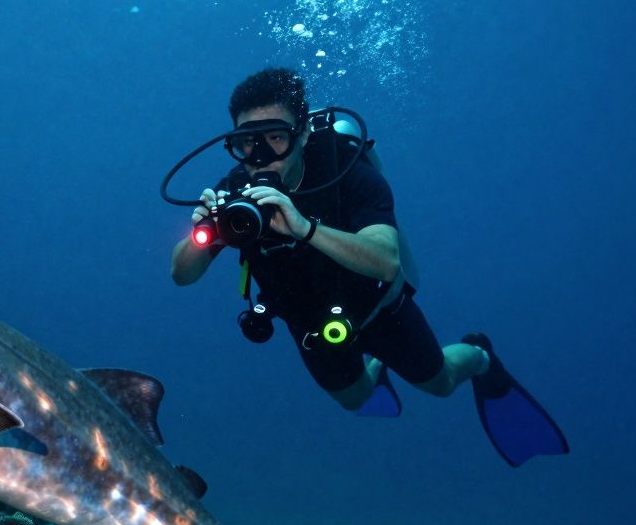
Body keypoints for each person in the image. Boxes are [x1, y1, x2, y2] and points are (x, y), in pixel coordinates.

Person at [170, 67, 567, 466]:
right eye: (246, 142)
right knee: (355, 399)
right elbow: (181, 275)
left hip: (380, 311)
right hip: (311, 327)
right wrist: (206, 234)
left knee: (440, 383)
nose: (260, 157)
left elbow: (386, 260)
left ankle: (480, 356)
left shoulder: (350, 175)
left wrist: (304, 227)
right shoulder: (235, 194)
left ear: (303, 134)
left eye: (276, 138)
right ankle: (379, 368)